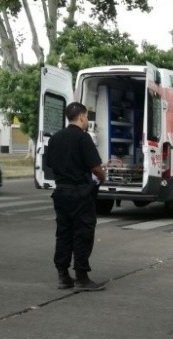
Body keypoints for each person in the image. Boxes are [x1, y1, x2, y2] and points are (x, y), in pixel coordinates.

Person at [47, 102, 106, 291]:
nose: (87, 120)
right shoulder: (83, 138)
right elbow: (95, 167)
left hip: (61, 192)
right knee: (83, 233)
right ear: (81, 116)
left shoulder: (55, 138)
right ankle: (82, 276)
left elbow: (50, 164)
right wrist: (102, 178)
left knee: (63, 233)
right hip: (80, 193)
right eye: (87, 116)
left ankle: (63, 276)